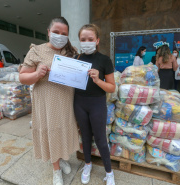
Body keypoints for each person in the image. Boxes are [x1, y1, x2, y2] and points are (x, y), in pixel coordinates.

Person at [19, 17, 79, 185]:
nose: (60, 36)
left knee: (62, 130)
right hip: (47, 102)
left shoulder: (71, 52)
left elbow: (77, 75)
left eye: (64, 34)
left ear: (68, 35)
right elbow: (23, 77)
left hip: (66, 101)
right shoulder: (36, 51)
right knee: (52, 131)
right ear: (48, 32)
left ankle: (61, 159)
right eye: (56, 32)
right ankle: (56, 170)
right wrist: (37, 74)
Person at [74, 24, 116, 185]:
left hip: (97, 103)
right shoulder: (76, 59)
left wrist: (98, 80)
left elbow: (112, 87)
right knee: (85, 136)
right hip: (79, 102)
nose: (86, 42)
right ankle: (88, 165)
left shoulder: (104, 60)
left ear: (97, 40)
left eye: (90, 39)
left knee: (100, 138)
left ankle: (109, 172)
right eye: (83, 39)